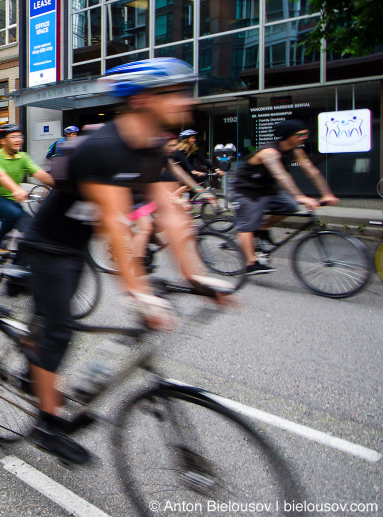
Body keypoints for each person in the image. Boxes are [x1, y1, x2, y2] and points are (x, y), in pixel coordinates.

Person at [19, 58, 231, 464]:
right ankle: (46, 424)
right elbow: (115, 224)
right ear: (143, 99)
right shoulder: (104, 148)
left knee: (63, 326)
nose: (186, 100)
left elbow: (169, 210)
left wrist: (199, 277)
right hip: (48, 244)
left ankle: (37, 363)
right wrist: (138, 293)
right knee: (60, 331)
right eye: (176, 92)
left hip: (76, 243)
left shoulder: (150, 145)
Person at [231, 119, 338, 275]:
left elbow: (312, 172)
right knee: (247, 225)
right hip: (247, 190)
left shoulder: (296, 151)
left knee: (290, 206)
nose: (305, 137)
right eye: (301, 134)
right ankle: (250, 263)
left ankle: (262, 228)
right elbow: (281, 176)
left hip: (268, 189)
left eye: (306, 134)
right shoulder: (269, 152)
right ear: (288, 136)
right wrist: (301, 196)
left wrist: (327, 193)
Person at [0, 124, 54, 255]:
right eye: (13, 137)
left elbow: (38, 173)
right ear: (2, 141)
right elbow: (1, 176)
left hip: (11, 200)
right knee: (13, 214)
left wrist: (62, 186)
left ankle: (18, 265)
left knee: (32, 231)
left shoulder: (23, 157)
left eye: (20, 136)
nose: (18, 139)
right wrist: (16, 190)